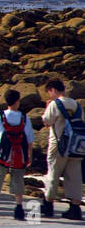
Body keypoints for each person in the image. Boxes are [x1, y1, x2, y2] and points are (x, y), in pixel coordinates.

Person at [40, 78, 83, 220]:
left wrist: (47, 108)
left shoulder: (54, 104)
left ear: (53, 90)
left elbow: (47, 121)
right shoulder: (76, 104)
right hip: (77, 145)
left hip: (58, 144)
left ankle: (48, 204)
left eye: (49, 92)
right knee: (75, 177)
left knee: (53, 173)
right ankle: (75, 208)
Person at [0, 88, 34, 220]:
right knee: (18, 180)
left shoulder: (0, 115)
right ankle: (19, 208)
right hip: (19, 154)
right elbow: (29, 139)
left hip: (2, 154)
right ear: (17, 101)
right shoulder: (24, 118)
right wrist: (29, 155)